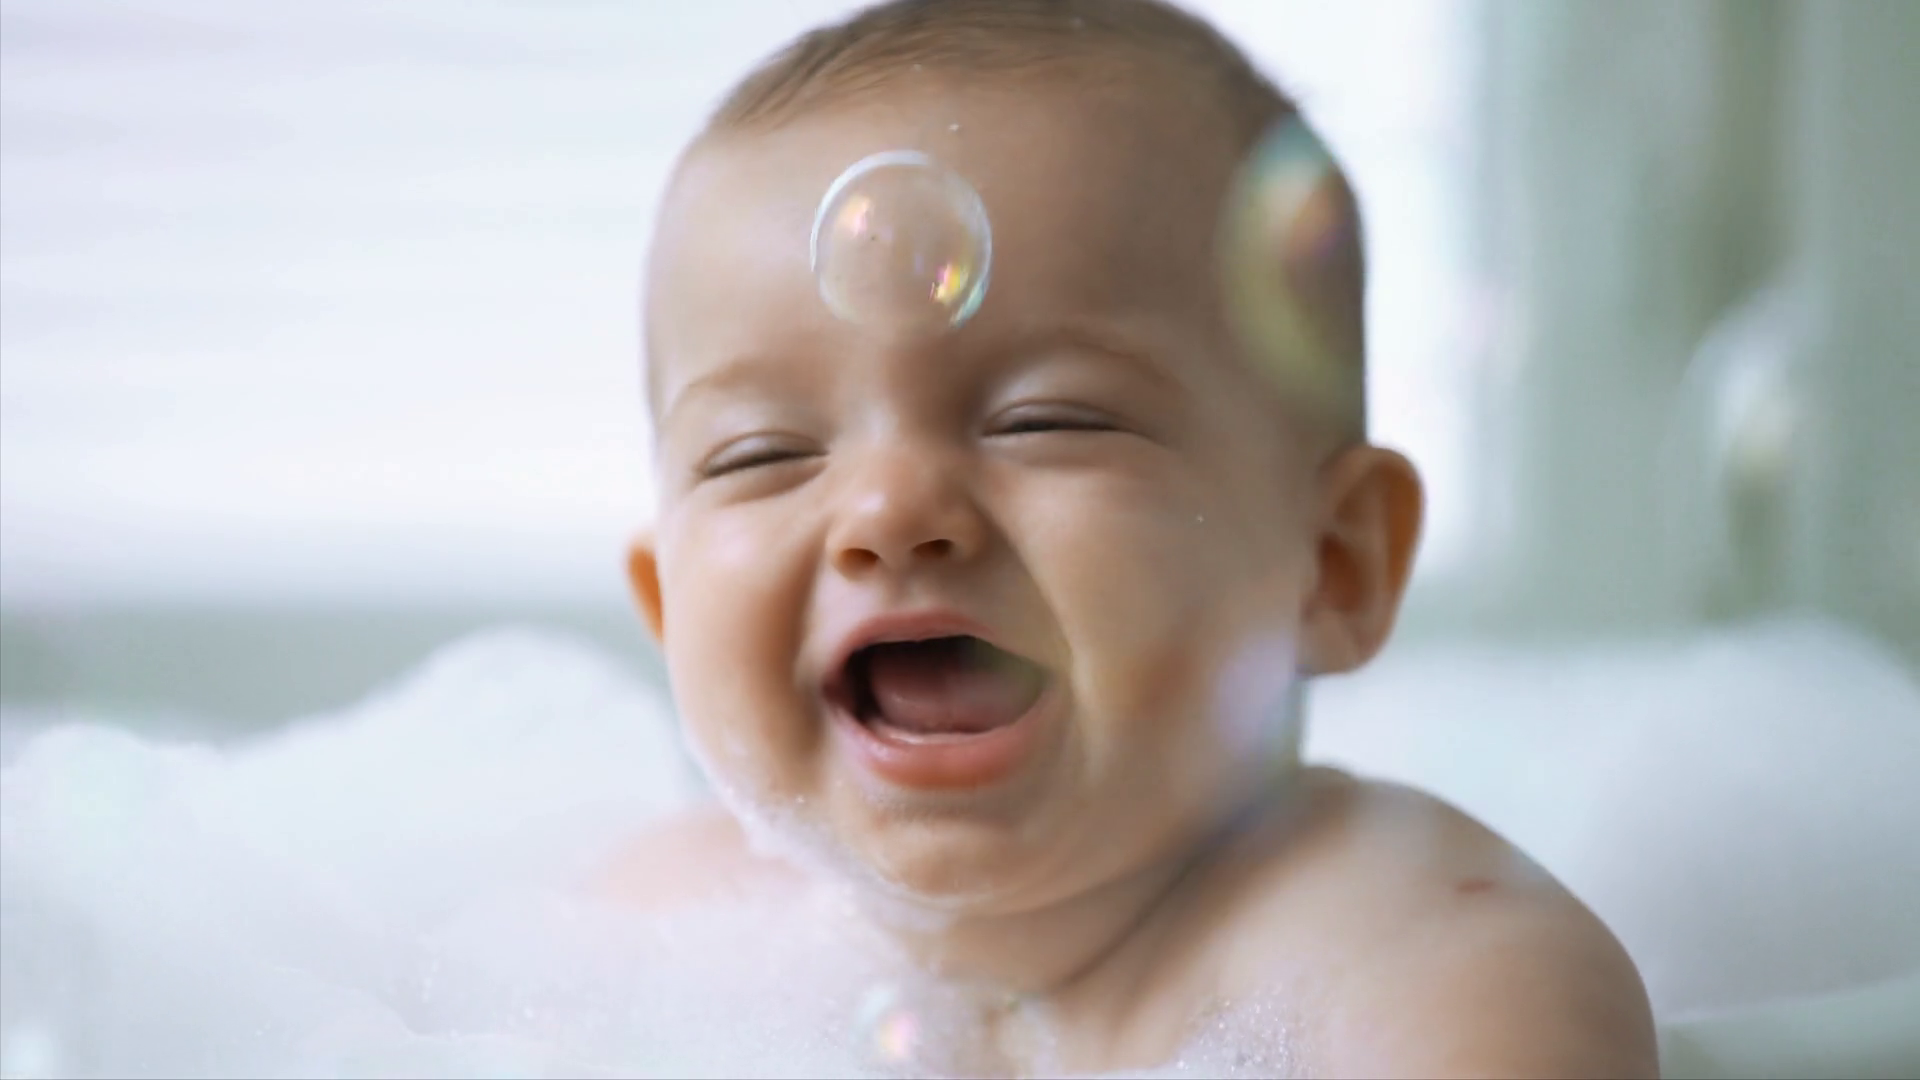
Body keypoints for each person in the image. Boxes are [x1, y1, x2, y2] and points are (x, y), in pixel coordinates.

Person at [605, 0, 1656, 1074]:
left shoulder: (1416, 953)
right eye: (760, 454)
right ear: (664, 608)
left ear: (1334, 564)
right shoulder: (650, 936)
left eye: (1046, 421)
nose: (889, 513)